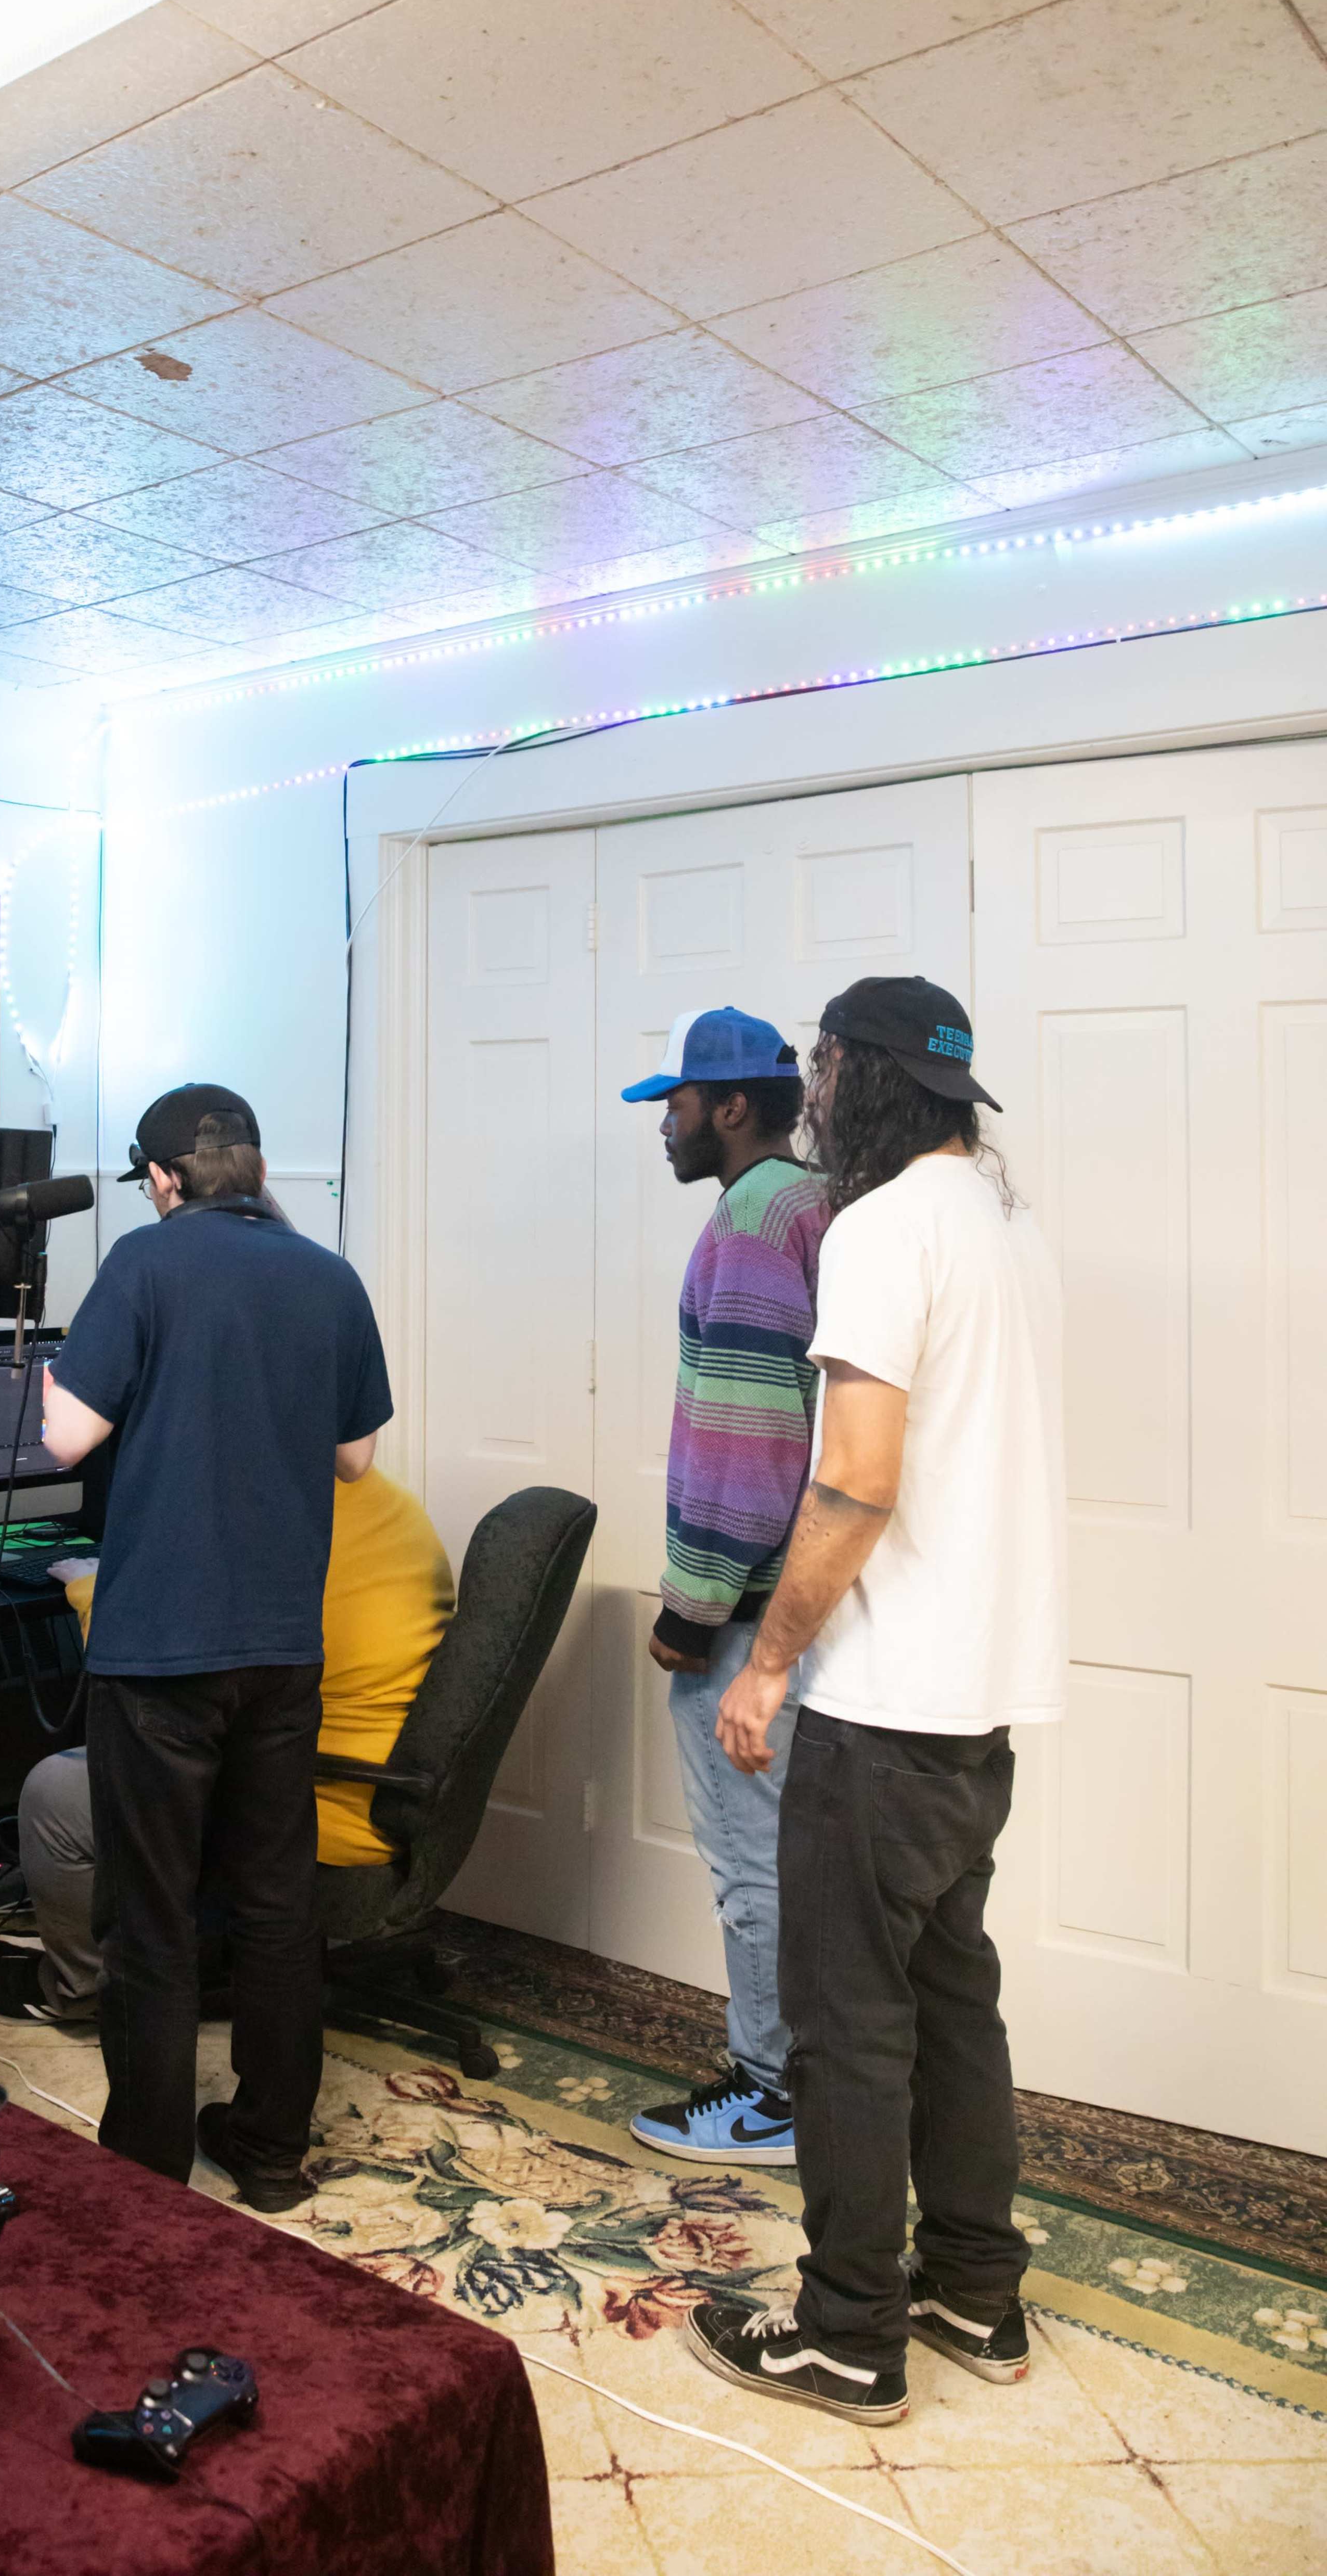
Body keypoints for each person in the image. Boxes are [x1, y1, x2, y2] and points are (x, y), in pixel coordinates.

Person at [685, 977, 1065, 2426]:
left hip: (887, 1700)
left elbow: (854, 1477)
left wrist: (772, 1660)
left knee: (849, 2024)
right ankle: (975, 2285)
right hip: (980, 1709)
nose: (812, 1088)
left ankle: (848, 2332)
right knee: (954, 2001)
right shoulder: (1006, 1223)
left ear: (865, 1076)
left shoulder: (882, 1228)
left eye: (825, 1062)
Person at [38, 1083, 392, 2214]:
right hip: (283, 1648)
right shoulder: (329, 1276)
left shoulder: (145, 1268)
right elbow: (356, 1459)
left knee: (152, 1910)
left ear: (161, 1178)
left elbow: (64, 1438)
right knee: (278, 1903)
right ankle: (271, 2148)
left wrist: (53, 1364)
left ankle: (146, 2162)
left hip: (159, 1656)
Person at [0, 1466, 453, 2026]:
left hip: (314, 1802)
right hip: (383, 1783)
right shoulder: (389, 1506)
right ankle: (162, 1941)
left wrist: (88, 1585)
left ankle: (85, 1987)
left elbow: (148, 1675)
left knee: (55, 1790)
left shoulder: (260, 1526)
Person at [618, 1008, 827, 2165]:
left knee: (755, 1863)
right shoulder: (816, 1203)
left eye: (678, 1102)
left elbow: (748, 1455)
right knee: (797, 1855)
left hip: (745, 1612)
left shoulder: (753, 1225)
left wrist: (687, 1615)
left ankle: (769, 2094)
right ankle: (806, 2081)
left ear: (733, 1106)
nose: (666, 1122)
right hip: (805, 1597)